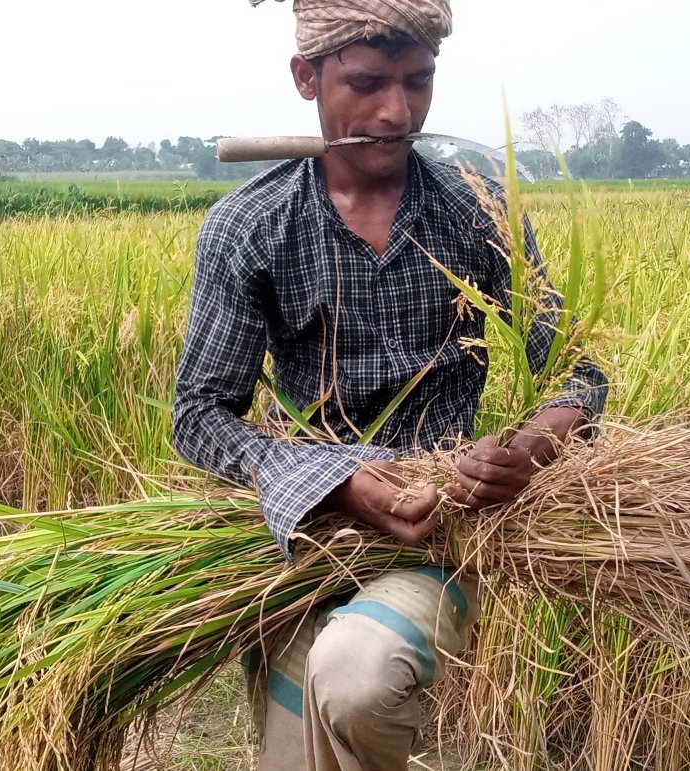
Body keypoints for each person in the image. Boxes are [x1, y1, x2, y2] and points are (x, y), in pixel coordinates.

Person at [172, 2, 608, 768]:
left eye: (418, 82)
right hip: (306, 537)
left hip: (443, 523)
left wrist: (534, 443)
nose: (396, 111)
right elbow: (200, 415)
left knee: (356, 680)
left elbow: (579, 366)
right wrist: (333, 483)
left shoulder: (479, 209)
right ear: (307, 78)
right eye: (368, 83)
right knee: (294, 749)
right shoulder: (251, 229)